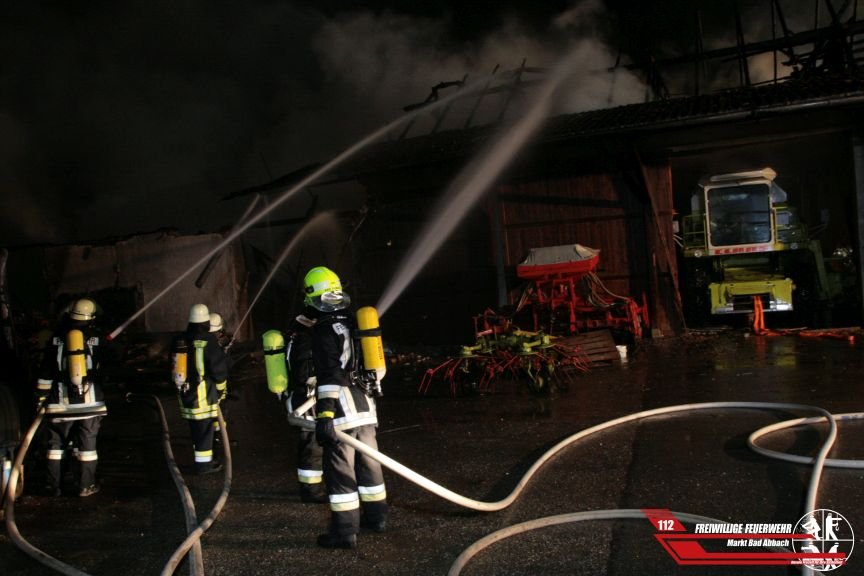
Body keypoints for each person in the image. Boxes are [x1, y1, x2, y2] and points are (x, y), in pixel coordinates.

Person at [304, 266, 387, 549]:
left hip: (341, 410)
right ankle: (377, 518)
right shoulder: (353, 322)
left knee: (340, 471)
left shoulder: (323, 330)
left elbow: (330, 375)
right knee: (370, 465)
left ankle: (344, 532)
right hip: (366, 405)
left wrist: (325, 414)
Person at [35, 298, 107, 497]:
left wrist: (41, 399)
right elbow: (107, 366)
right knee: (87, 449)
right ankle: (86, 486)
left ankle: (53, 487)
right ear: (91, 317)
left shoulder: (56, 339)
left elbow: (46, 372)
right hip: (91, 404)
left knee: (55, 447)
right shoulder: (96, 338)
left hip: (60, 405)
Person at [173, 303, 228, 475]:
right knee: (205, 430)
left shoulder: (181, 339)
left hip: (185, 393)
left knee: (196, 429)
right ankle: (204, 465)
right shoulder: (208, 340)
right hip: (203, 394)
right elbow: (218, 369)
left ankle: (201, 461)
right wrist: (221, 390)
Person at [283, 314, 327, 503]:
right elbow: (304, 375)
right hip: (307, 401)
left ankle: (312, 487)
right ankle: (312, 491)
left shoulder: (294, 339)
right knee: (312, 447)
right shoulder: (306, 341)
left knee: (311, 445)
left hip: (300, 398)